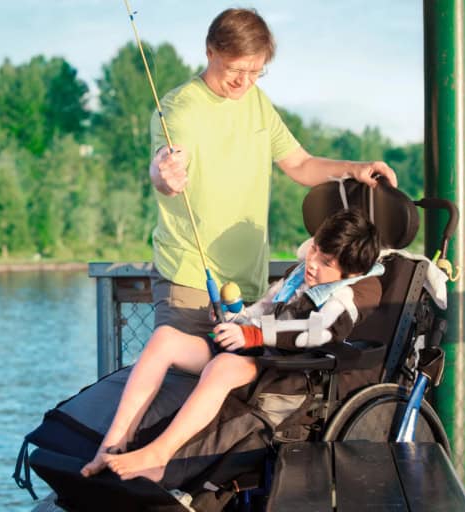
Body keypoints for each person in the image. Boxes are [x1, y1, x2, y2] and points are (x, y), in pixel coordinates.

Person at [148, 7, 397, 341]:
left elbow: (300, 164)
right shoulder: (180, 107)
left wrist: (355, 169)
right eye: (236, 69)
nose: (244, 81)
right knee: (181, 379)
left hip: (251, 289)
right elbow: (165, 167)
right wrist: (164, 176)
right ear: (210, 51)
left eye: (256, 72)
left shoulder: (257, 103)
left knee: (237, 387)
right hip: (191, 281)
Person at [81, 208, 382, 482]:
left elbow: (317, 330)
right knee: (165, 339)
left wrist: (253, 336)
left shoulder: (354, 293)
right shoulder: (299, 274)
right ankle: (115, 442)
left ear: (351, 273)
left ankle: (159, 456)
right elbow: (264, 309)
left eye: (325, 262)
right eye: (314, 249)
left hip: (291, 373)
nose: (312, 263)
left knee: (223, 366)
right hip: (258, 356)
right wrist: (237, 319)